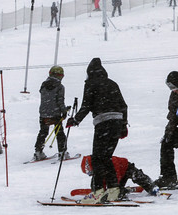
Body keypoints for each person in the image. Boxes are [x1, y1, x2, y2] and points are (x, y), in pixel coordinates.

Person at [66, 58, 128, 204]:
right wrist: (124, 125)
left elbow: (86, 106)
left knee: (98, 158)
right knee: (106, 157)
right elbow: (124, 106)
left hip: (103, 122)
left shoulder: (90, 84)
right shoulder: (112, 83)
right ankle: (114, 190)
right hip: (117, 122)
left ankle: (98, 192)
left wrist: (75, 120)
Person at [81, 154, 159, 199]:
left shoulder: (108, 162)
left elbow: (115, 175)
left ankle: (152, 187)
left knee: (137, 176)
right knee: (97, 182)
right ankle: (99, 191)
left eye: (91, 173)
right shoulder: (99, 168)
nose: (91, 175)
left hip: (126, 168)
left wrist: (114, 188)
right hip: (116, 174)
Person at [33, 66, 69, 161]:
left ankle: (38, 151)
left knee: (43, 132)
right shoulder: (60, 87)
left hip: (43, 113)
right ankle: (62, 152)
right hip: (55, 113)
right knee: (59, 133)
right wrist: (64, 111)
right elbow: (60, 101)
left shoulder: (43, 85)